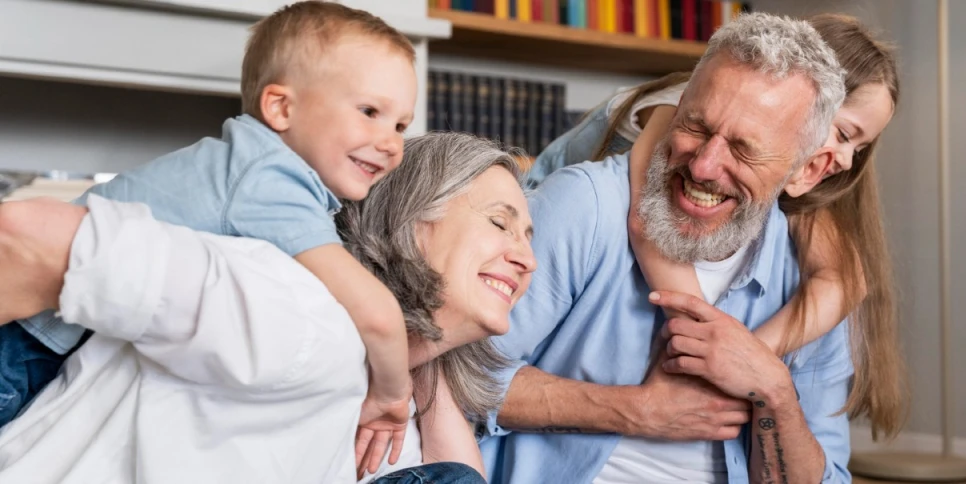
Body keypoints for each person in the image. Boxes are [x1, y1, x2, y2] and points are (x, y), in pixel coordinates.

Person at [0, 132, 536, 484]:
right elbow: (26, 236)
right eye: (499, 222)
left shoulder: (393, 413)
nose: (527, 258)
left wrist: (419, 359)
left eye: (529, 237)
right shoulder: (285, 302)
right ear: (413, 222)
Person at [0, 1, 417, 449]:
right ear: (280, 108)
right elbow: (375, 314)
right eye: (370, 112)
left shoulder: (245, 166)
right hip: (26, 341)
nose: (391, 144)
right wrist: (393, 395)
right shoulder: (271, 180)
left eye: (401, 125)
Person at [479, 12, 859, 483]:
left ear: (807, 171)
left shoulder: (807, 284)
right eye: (696, 127)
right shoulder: (585, 206)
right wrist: (633, 411)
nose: (703, 166)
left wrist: (774, 389)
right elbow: (451, 374)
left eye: (743, 150)